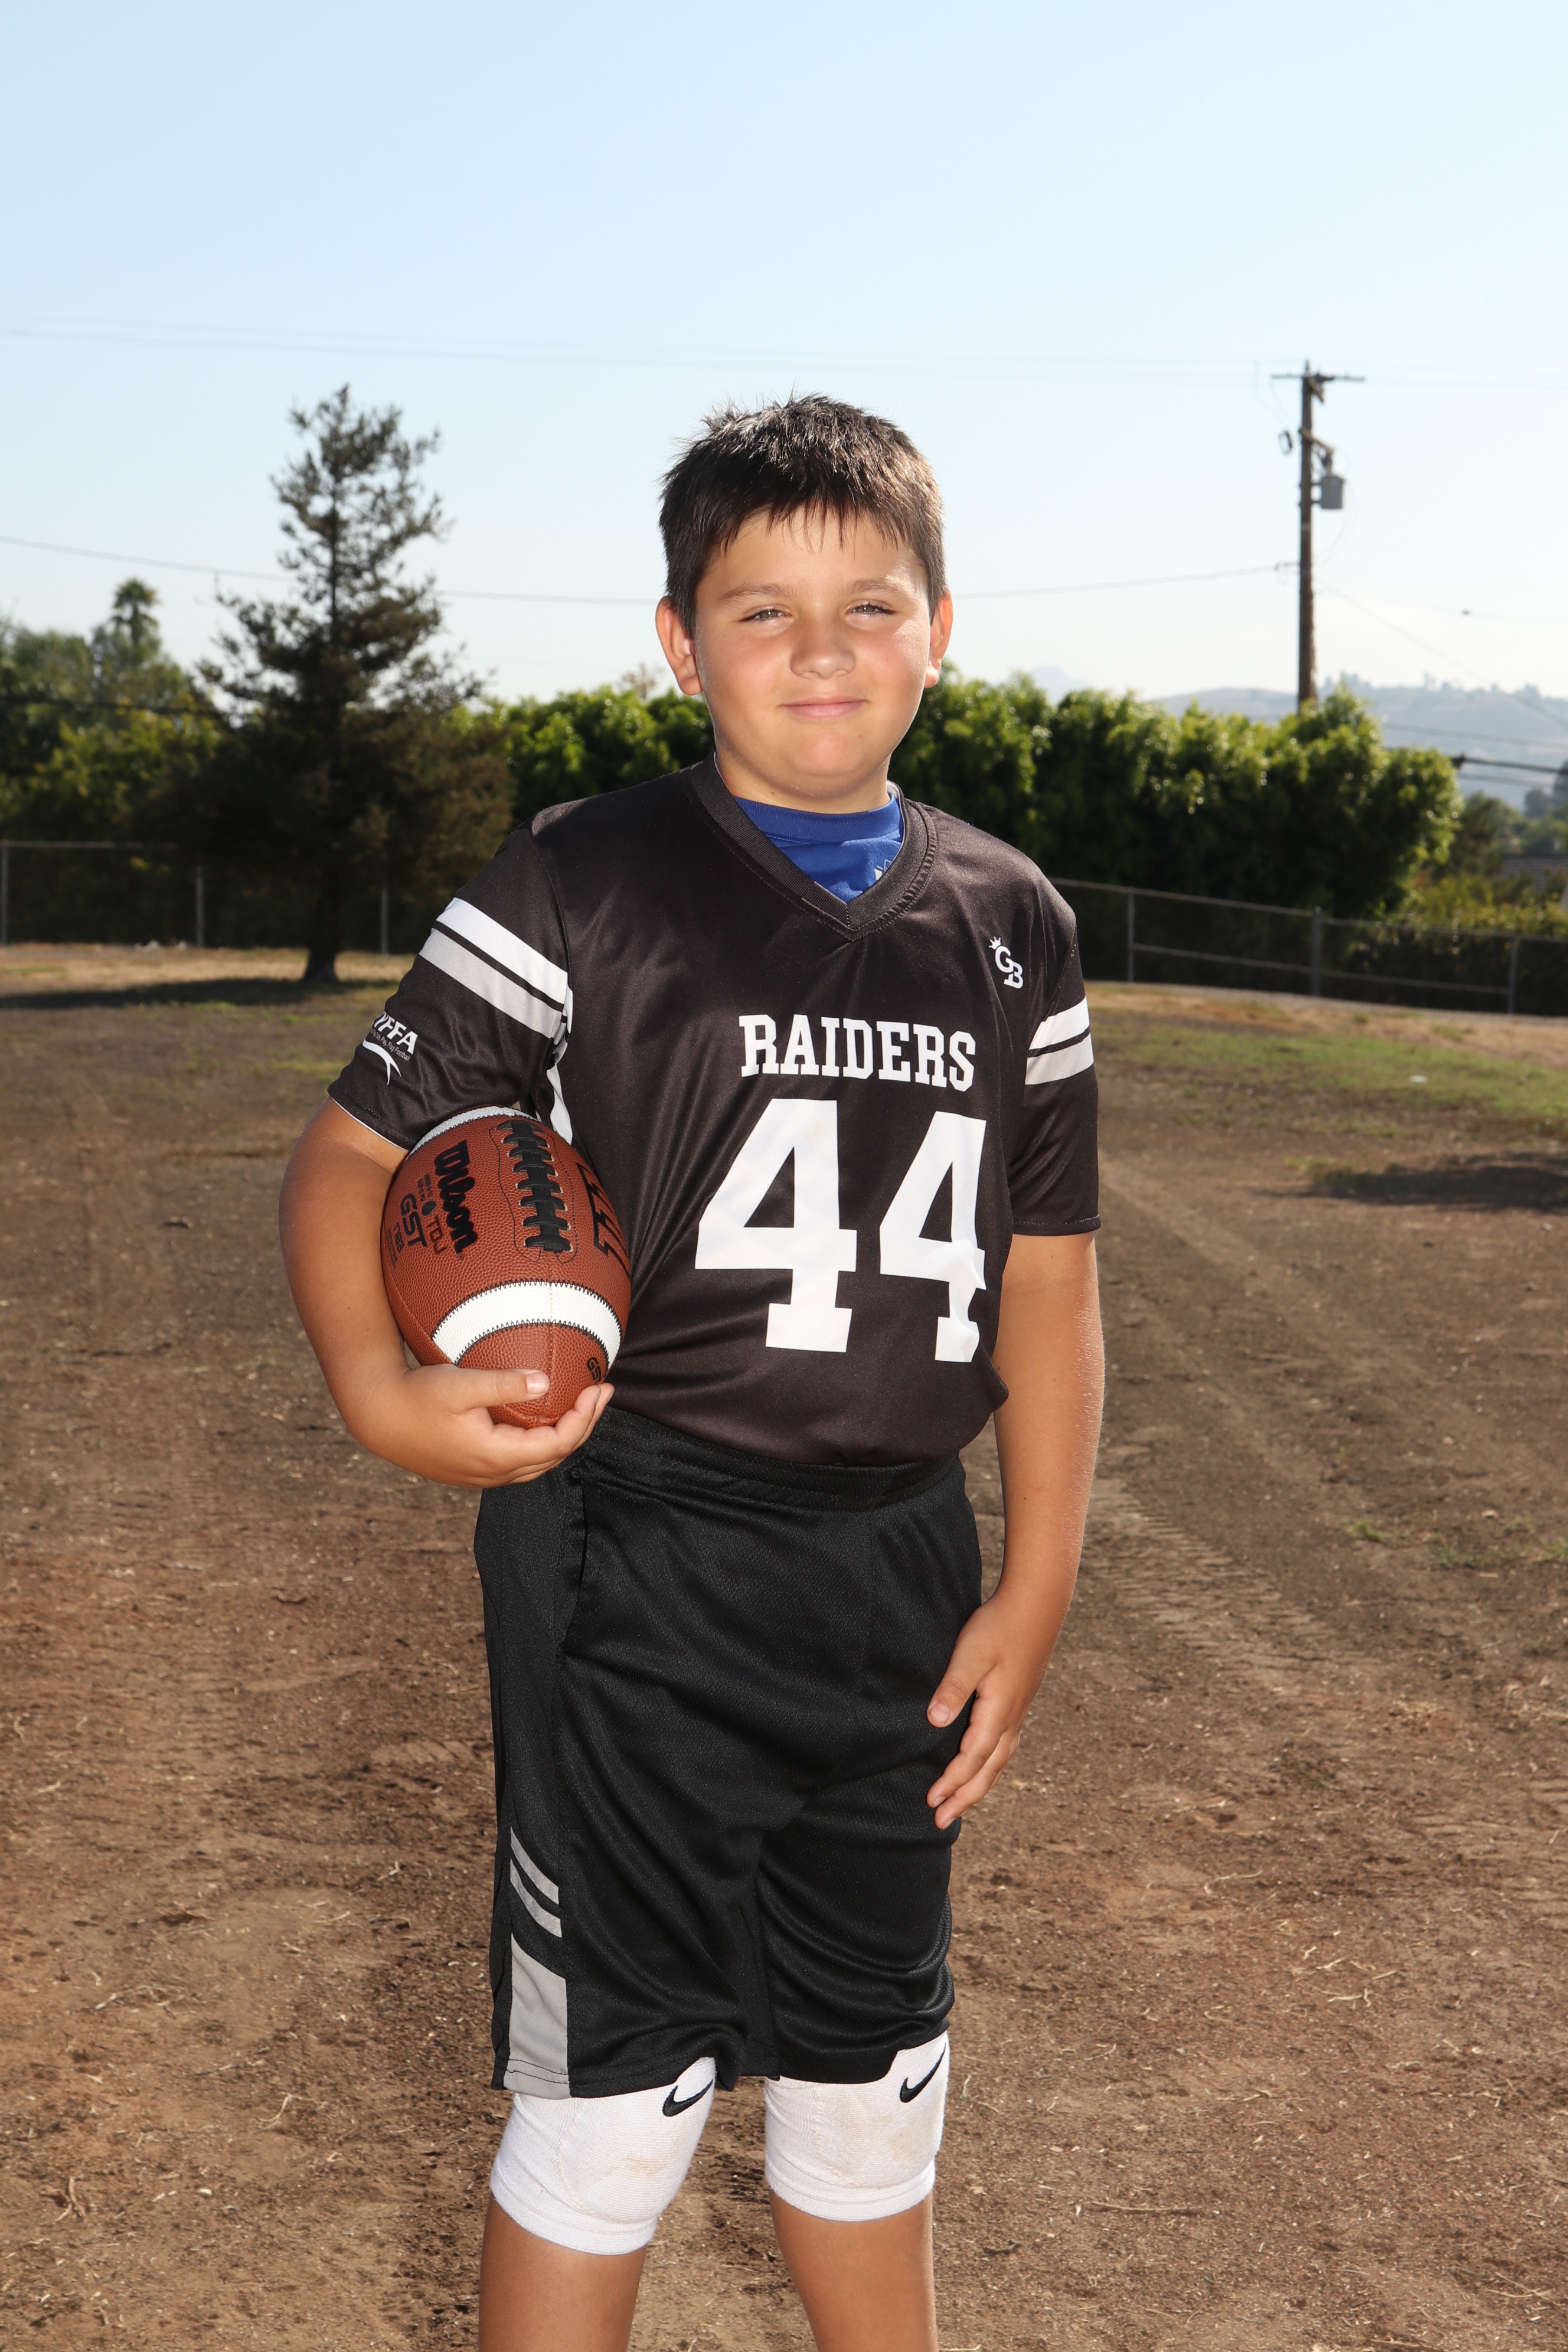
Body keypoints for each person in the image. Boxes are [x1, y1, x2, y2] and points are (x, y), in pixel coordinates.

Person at [279, 394, 1104, 2352]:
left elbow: (1053, 1286)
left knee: (874, 2082)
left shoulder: (1013, 923)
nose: (822, 650)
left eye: (869, 605)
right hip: (637, 1557)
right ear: (678, 642)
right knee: (612, 2113)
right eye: (761, 611)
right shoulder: (586, 875)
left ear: (939, 629)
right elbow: (350, 1160)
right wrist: (377, 1390)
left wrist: (1040, 1577)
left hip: (899, 1563)